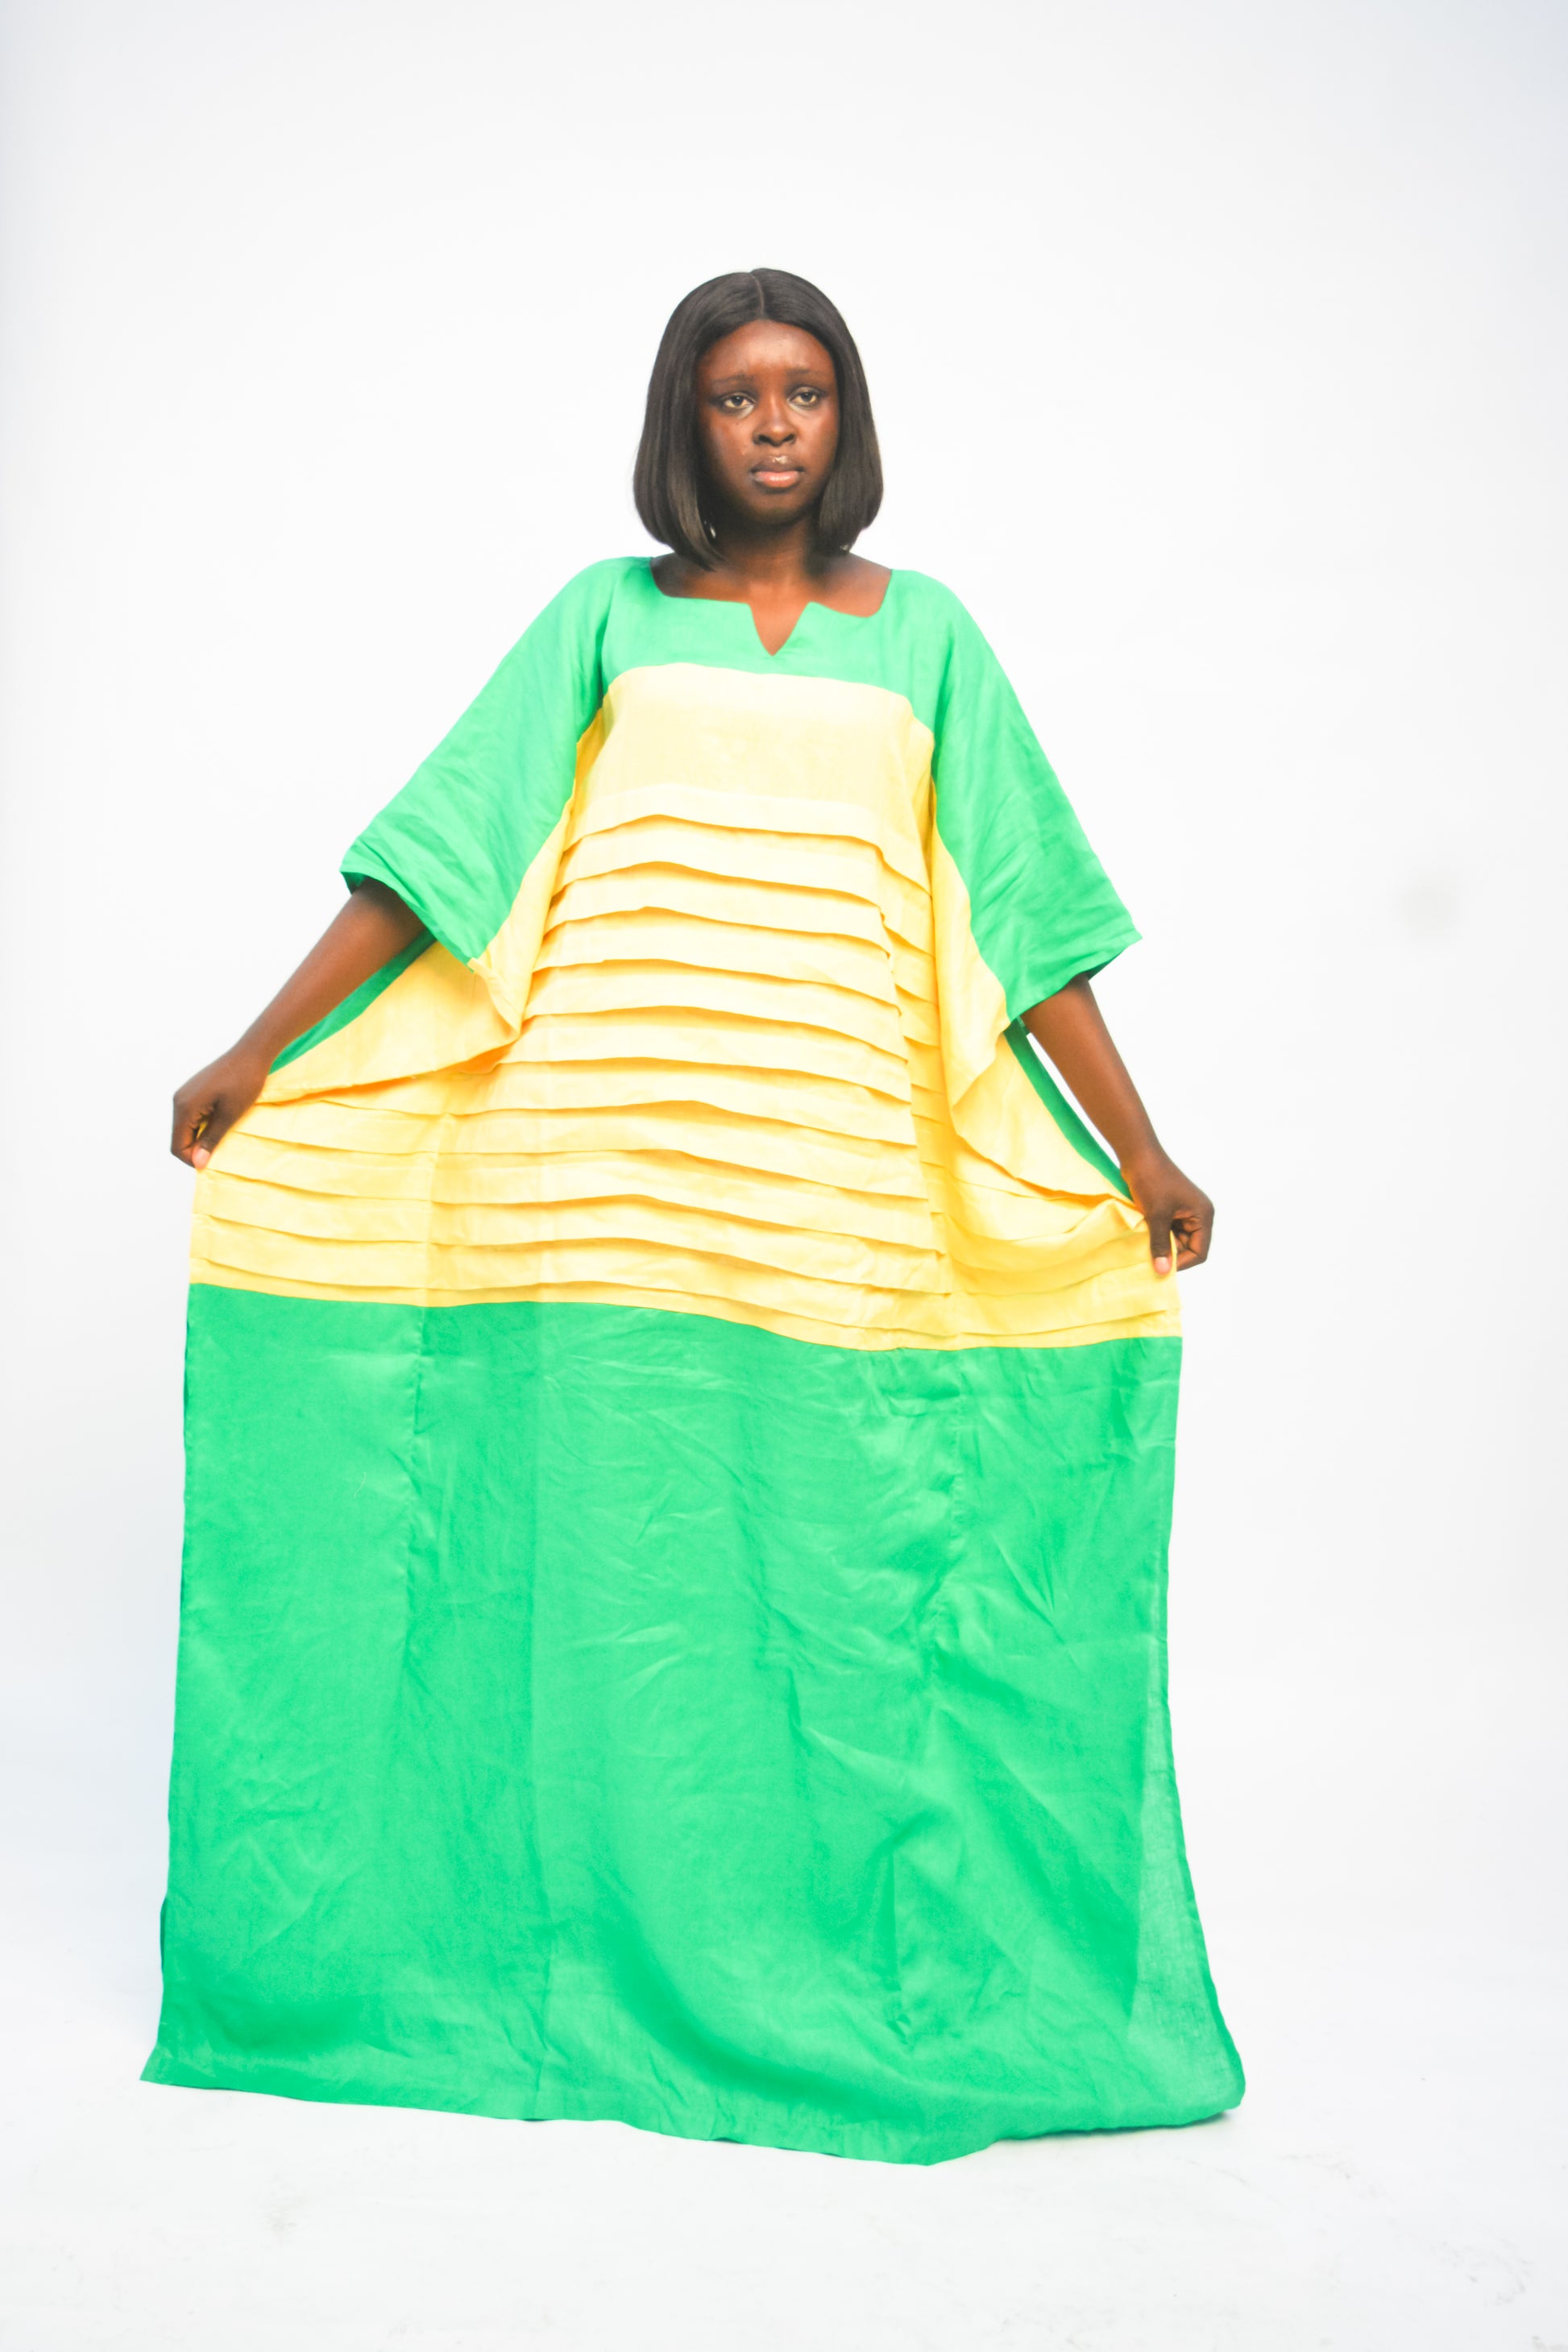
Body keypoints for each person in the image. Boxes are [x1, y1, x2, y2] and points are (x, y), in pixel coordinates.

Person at [145, 268, 1242, 2163]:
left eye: (804, 390)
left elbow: (1029, 913)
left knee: (819, 1578)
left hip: (826, 1193)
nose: (773, 424)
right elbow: (444, 852)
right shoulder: (605, 616)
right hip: (596, 1179)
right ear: (687, 422)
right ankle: (556, 1956)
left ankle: (791, 1949)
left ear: (846, 415)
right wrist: (257, 1045)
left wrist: (1138, 1149)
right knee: (599, 1577)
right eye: (736, 395)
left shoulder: (927, 638)